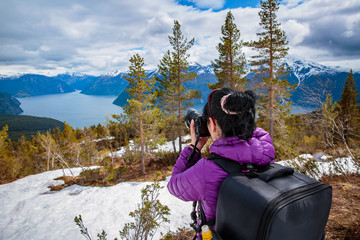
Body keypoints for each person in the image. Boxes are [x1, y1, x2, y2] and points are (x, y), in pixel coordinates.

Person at [167, 87, 275, 239]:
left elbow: (173, 184)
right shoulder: (265, 152)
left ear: (212, 123)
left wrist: (195, 146)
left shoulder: (207, 171)